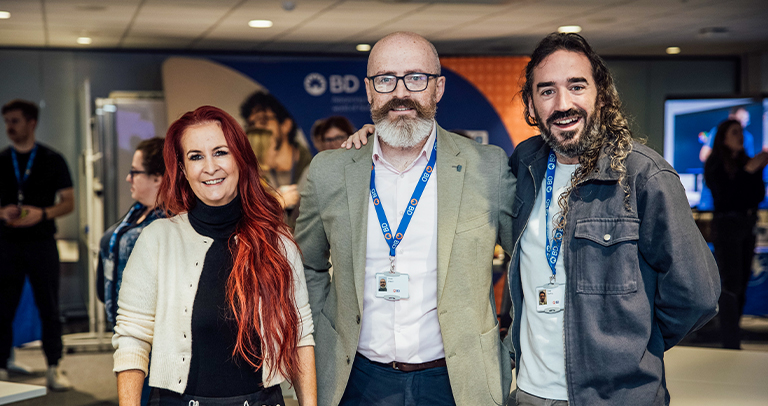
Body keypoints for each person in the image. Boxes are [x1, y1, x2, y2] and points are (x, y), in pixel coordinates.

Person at [294, 32, 515, 406]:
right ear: (369, 91)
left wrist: (507, 345)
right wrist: (325, 333)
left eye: (416, 78)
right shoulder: (330, 171)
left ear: (438, 88)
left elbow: (526, 259)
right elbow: (307, 266)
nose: (401, 93)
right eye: (386, 79)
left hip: (457, 382)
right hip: (356, 379)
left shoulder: (486, 167)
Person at [506, 32, 720, 405]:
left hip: (619, 397)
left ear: (601, 95)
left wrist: (634, 346)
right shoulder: (525, 165)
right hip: (529, 393)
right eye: (546, 91)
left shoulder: (644, 176)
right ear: (531, 102)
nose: (563, 104)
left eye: (577, 86)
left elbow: (696, 295)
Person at [113, 106, 316, 406]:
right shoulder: (157, 239)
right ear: (182, 168)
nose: (210, 167)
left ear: (240, 158)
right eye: (196, 156)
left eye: (220, 152)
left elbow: (300, 334)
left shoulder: (277, 241)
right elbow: (132, 337)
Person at [0, 99, 74, 390]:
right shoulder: (2, 160)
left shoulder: (52, 159)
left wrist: (43, 213)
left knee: (49, 306)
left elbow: (68, 203)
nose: (9, 127)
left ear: (32, 123)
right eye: (6, 121)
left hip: (42, 242)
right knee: (3, 306)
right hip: (7, 243)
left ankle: (54, 368)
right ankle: (2, 365)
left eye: (15, 121)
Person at [96, 137, 166, 406]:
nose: (128, 178)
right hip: (126, 329)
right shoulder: (137, 211)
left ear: (158, 177)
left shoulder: (167, 222)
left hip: (153, 342)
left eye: (135, 172)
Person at [704, 119, 768, 349]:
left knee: (742, 280)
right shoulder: (715, 163)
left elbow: (757, 195)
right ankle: (728, 335)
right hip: (726, 226)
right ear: (723, 137)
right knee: (731, 281)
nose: (740, 136)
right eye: (734, 132)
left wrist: (750, 171)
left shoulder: (745, 161)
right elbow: (725, 196)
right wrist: (748, 172)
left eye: (741, 132)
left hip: (747, 225)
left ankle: (735, 329)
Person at [240, 91, 312, 228]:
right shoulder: (247, 176)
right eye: (251, 124)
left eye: (264, 121)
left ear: (286, 125)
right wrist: (277, 202)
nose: (257, 128)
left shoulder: (313, 165)